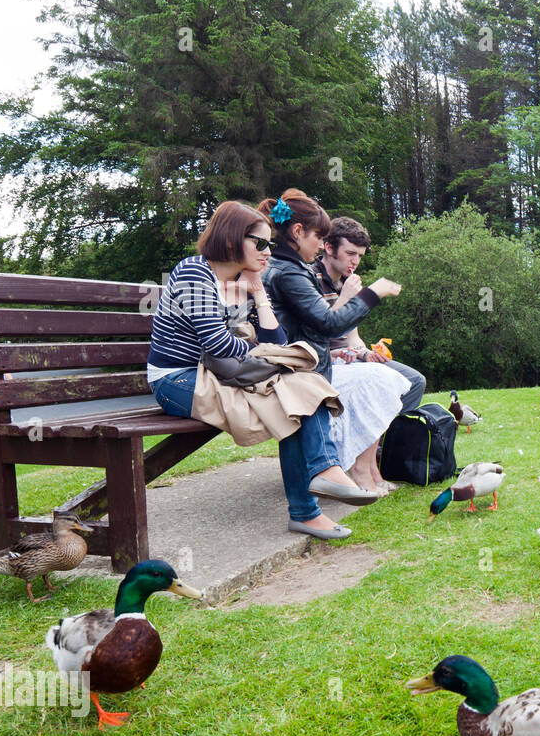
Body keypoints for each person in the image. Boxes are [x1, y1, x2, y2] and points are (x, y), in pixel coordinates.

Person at [146, 201, 377, 540]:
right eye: (260, 243)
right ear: (230, 239)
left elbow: (276, 338)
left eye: (270, 243)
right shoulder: (194, 271)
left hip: (218, 374)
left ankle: (321, 477)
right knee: (294, 396)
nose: (268, 251)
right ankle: (309, 506)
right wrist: (269, 356)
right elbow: (218, 345)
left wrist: (257, 292)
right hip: (177, 380)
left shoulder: (244, 281)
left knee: (303, 390)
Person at [257, 190, 406, 494]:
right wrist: (374, 292)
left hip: (309, 365)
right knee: (377, 381)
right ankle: (355, 470)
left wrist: (349, 352)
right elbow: (328, 323)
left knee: (385, 377)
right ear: (298, 232)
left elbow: (318, 330)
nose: (319, 245)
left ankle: (361, 467)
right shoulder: (289, 273)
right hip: (298, 374)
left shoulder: (291, 267)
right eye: (317, 237)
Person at [314, 216, 427, 412]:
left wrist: (366, 354)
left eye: (360, 255)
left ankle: (386, 440)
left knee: (415, 381)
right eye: (350, 253)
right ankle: (372, 439)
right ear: (329, 248)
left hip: (351, 360)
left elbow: (353, 337)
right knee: (376, 386)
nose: (355, 261)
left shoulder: (347, 282)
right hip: (324, 362)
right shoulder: (310, 279)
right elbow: (320, 329)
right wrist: (346, 297)